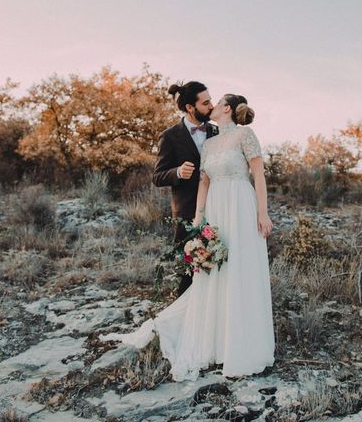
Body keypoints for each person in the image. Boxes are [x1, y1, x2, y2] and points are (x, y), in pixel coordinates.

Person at [101, 93, 275, 381]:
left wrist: (262, 213)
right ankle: (215, 340)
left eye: (216, 104)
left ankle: (242, 344)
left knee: (240, 269)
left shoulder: (245, 135)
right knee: (216, 270)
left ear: (227, 109)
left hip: (241, 206)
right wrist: (198, 220)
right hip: (218, 209)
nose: (212, 108)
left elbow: (258, 176)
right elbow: (204, 183)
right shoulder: (209, 144)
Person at [152, 81, 219, 296]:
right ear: (190, 107)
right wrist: (178, 172)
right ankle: (185, 319)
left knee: (218, 261)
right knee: (188, 269)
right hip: (187, 211)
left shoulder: (216, 131)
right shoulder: (170, 136)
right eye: (206, 102)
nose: (212, 106)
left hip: (218, 206)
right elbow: (157, 176)